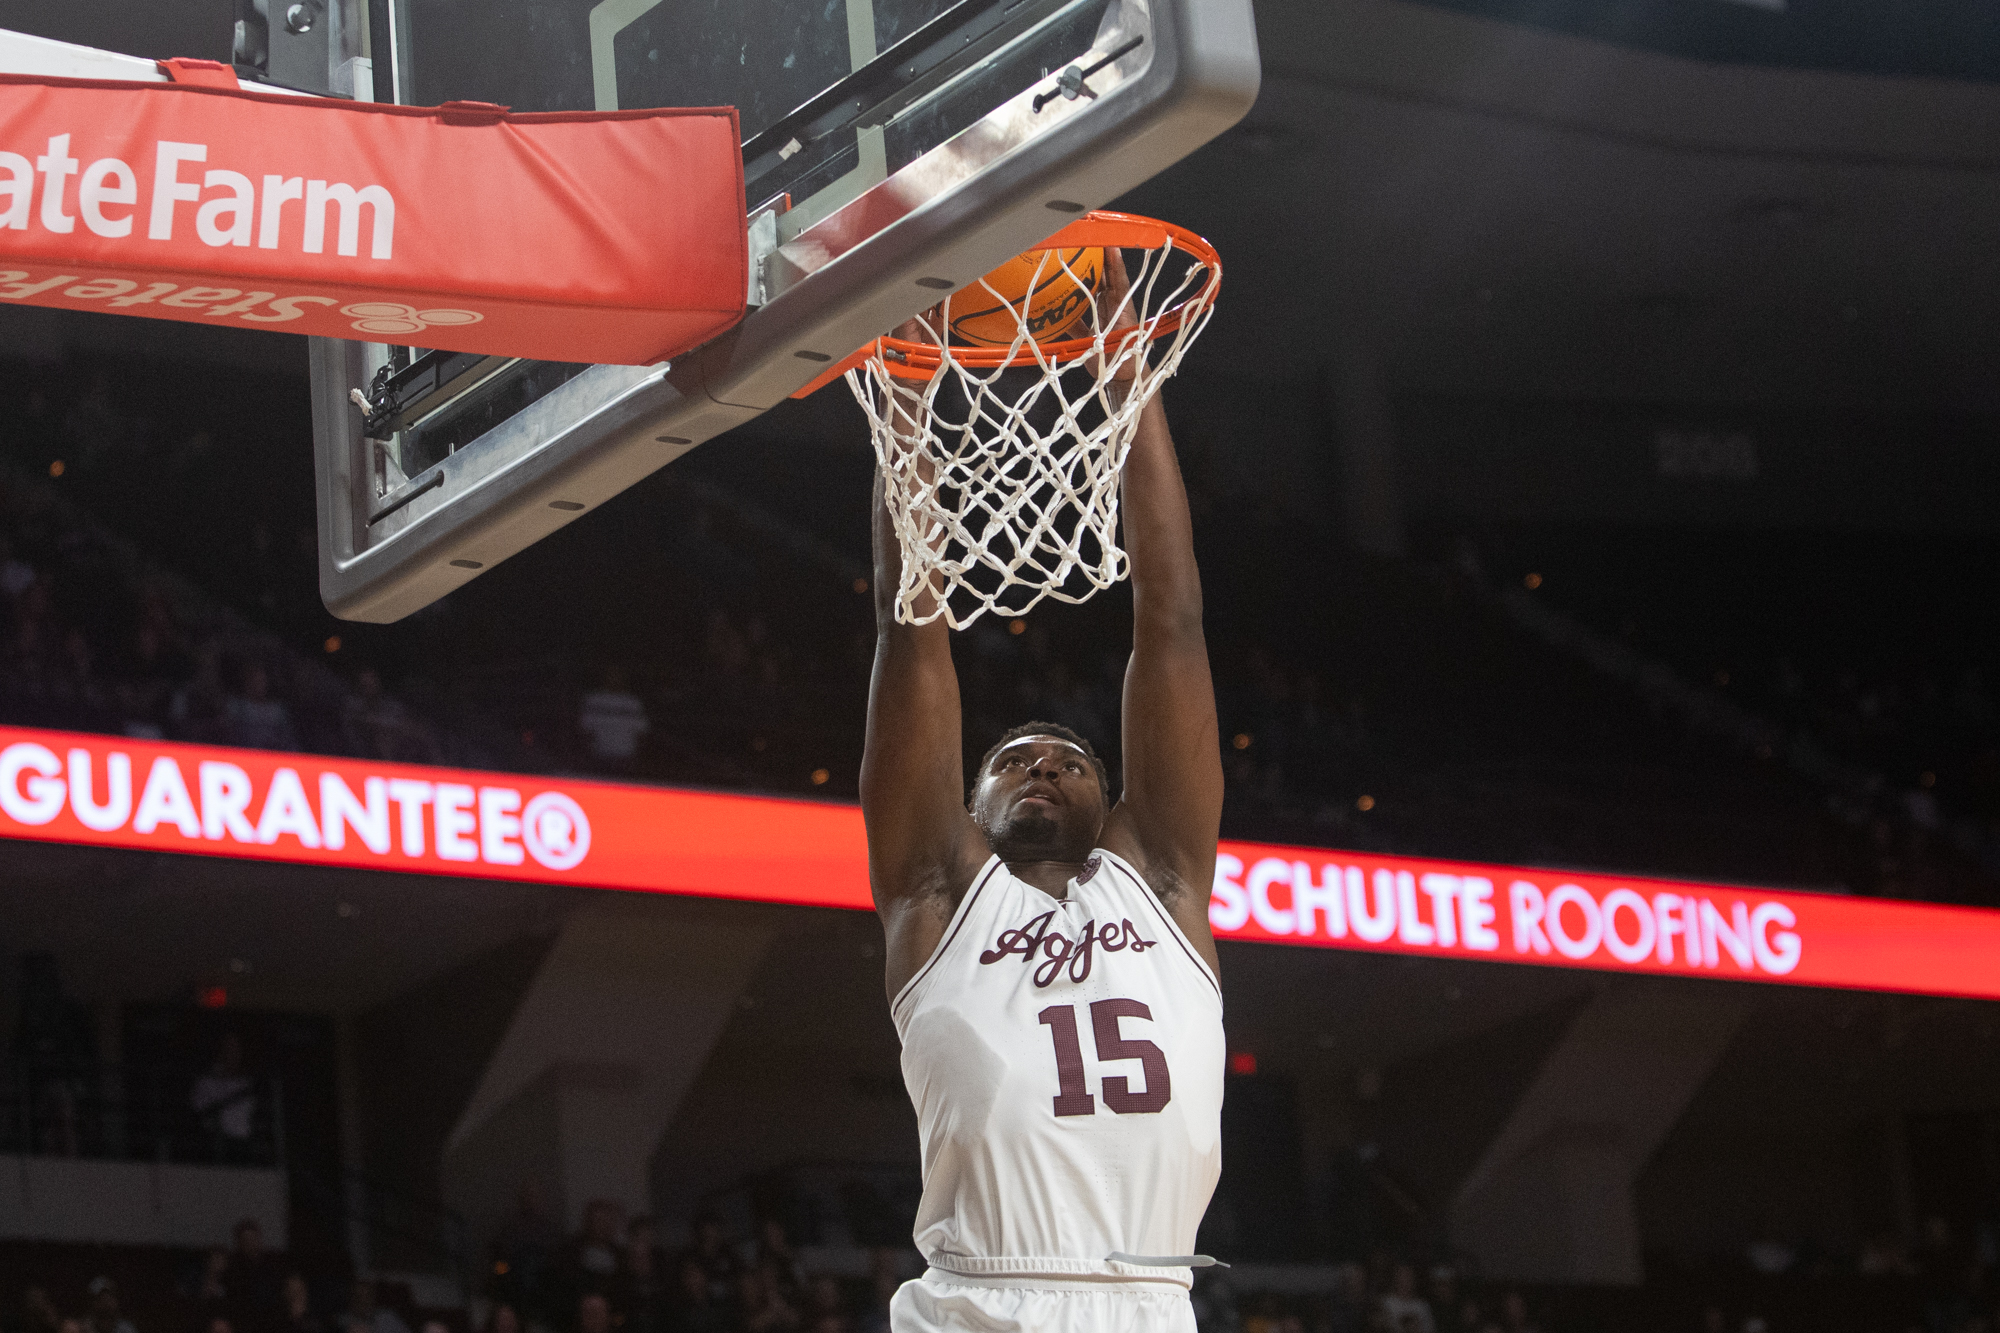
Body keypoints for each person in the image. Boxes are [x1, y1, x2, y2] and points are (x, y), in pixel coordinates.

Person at [860, 251, 1226, 1332]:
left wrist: (1128, 378)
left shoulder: (1157, 880)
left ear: (1115, 805)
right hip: (977, 1299)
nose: (1042, 765)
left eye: (1068, 760)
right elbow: (907, 623)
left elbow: (1171, 618)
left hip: (1153, 1301)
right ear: (965, 811)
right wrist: (908, 390)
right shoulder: (935, 894)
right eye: (1011, 759)